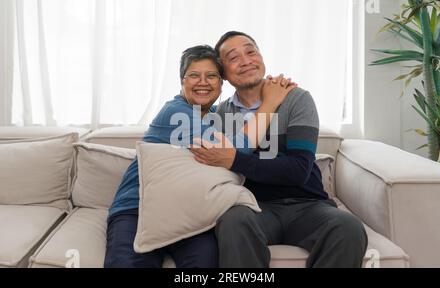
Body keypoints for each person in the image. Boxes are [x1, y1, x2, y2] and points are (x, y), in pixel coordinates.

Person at [104, 45, 295, 268]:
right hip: (136, 210)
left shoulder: (219, 117)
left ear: (221, 84)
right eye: (194, 75)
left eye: (211, 75)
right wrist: (270, 103)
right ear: (182, 81)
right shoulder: (175, 112)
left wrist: (267, 90)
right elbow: (236, 151)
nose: (203, 82)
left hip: (191, 212)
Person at [189, 31, 368, 268]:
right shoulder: (221, 115)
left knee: (348, 227)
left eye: (251, 51)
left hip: (307, 205)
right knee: (233, 221)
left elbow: (298, 170)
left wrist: (234, 159)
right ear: (223, 73)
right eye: (233, 57)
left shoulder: (296, 99)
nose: (246, 60)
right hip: (253, 207)